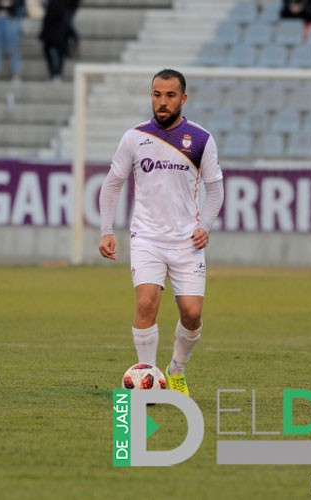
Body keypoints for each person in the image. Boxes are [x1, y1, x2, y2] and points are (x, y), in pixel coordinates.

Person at [98, 69, 224, 397]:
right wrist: (106, 230)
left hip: (186, 241)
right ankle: (149, 380)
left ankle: (175, 371)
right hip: (147, 238)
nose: (162, 102)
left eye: (169, 96)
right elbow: (112, 184)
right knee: (145, 303)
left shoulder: (200, 139)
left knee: (192, 314)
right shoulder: (134, 137)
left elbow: (215, 190)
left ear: (183, 99)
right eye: (157, 95)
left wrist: (205, 226)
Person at [39, 0, 74, 81]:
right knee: (52, 54)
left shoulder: (61, 5)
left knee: (60, 55)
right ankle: (54, 73)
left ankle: (57, 73)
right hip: (53, 32)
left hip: (60, 32)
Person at [0, 0, 21, 82]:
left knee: (12, 48)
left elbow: (16, 7)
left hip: (10, 20)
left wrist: (6, 5)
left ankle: (16, 73)